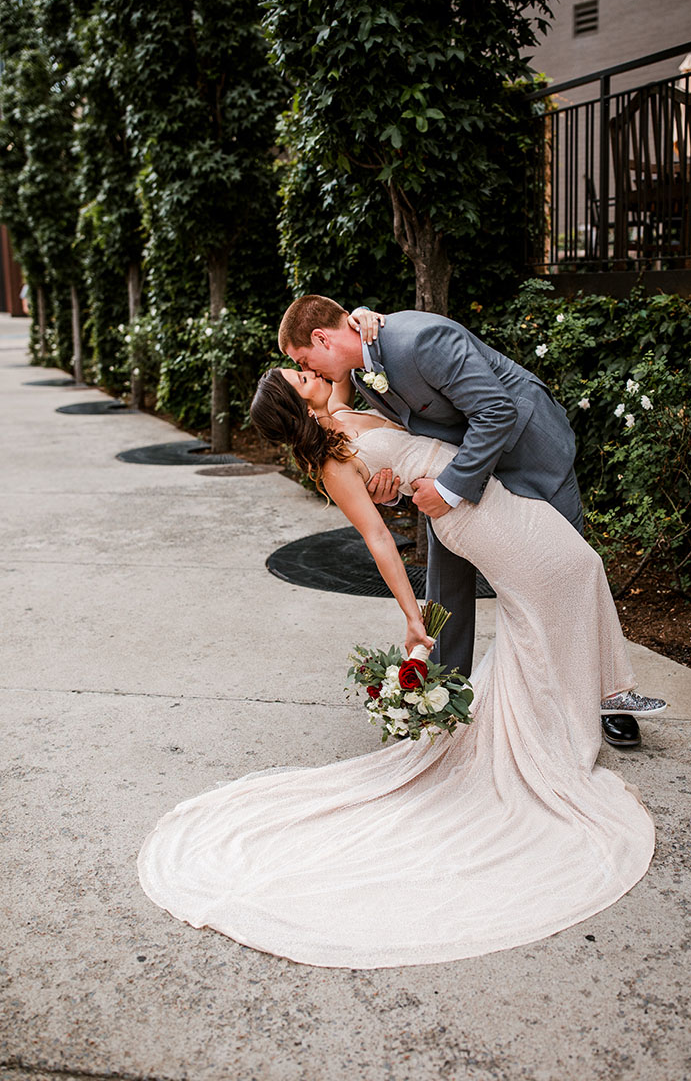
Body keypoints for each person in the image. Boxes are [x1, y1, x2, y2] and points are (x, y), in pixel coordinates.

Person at [137, 361, 660, 968]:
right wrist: (414, 617)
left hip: (477, 488)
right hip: (470, 514)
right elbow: (380, 541)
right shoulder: (334, 465)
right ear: (294, 400)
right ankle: (589, 705)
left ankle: (586, 699)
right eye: (295, 373)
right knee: (572, 572)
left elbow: (340, 358)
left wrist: (358, 323)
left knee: (553, 593)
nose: (305, 368)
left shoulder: (337, 413)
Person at [278, 296, 656, 747]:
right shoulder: (362, 376)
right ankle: (442, 690)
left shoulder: (419, 341)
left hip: (524, 449)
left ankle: (599, 698)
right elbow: (403, 441)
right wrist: (391, 492)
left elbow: (496, 411)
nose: (312, 371)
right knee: (448, 579)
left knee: (564, 567)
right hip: (460, 474)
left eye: (305, 361)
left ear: (321, 339)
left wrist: (446, 488)